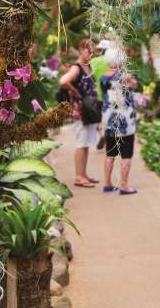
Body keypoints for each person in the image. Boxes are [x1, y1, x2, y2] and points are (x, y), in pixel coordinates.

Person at [59, 39, 100, 188]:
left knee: (86, 143)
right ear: (81, 49)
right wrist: (74, 91)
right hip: (81, 111)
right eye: (89, 50)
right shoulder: (76, 68)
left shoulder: (87, 66)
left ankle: (83, 174)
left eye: (93, 51)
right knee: (81, 143)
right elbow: (63, 81)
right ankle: (78, 177)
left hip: (88, 110)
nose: (91, 54)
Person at [99, 47, 138, 195]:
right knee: (126, 154)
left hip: (109, 121)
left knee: (110, 153)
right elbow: (134, 85)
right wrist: (127, 76)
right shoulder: (124, 77)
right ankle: (124, 185)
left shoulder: (103, 78)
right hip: (125, 122)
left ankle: (107, 184)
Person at [90, 40, 114, 149]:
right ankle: (109, 138)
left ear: (100, 50)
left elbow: (91, 77)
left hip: (99, 94)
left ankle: (102, 135)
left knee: (99, 118)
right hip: (112, 94)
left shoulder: (94, 61)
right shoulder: (113, 62)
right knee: (110, 116)